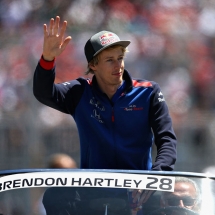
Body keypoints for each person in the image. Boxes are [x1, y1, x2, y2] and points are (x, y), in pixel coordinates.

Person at [33, 15, 177, 207]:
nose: (118, 66)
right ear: (93, 65)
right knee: (54, 196)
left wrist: (158, 175)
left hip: (140, 193)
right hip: (94, 196)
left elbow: (166, 139)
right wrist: (48, 59)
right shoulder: (79, 92)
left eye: (120, 58)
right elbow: (44, 93)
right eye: (109, 60)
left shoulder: (148, 92)